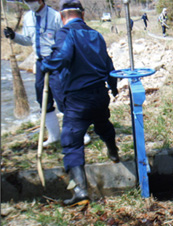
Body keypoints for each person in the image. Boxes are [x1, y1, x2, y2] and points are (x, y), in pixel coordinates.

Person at [41, 0, 120, 206]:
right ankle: (113, 150)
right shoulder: (96, 35)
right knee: (103, 125)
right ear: (83, 15)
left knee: (71, 143)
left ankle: (81, 192)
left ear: (61, 17)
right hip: (100, 94)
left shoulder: (66, 33)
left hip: (78, 99)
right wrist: (113, 88)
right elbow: (108, 64)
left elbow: (63, 57)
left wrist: (46, 64)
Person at [3, 0, 91, 147]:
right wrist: (14, 36)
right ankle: (54, 135)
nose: (30, 3)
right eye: (27, 1)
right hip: (39, 62)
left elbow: (66, 38)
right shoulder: (28, 17)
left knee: (63, 98)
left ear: (40, 0)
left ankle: (80, 133)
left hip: (57, 61)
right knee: (43, 99)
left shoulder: (56, 16)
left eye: (32, 1)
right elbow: (27, 41)